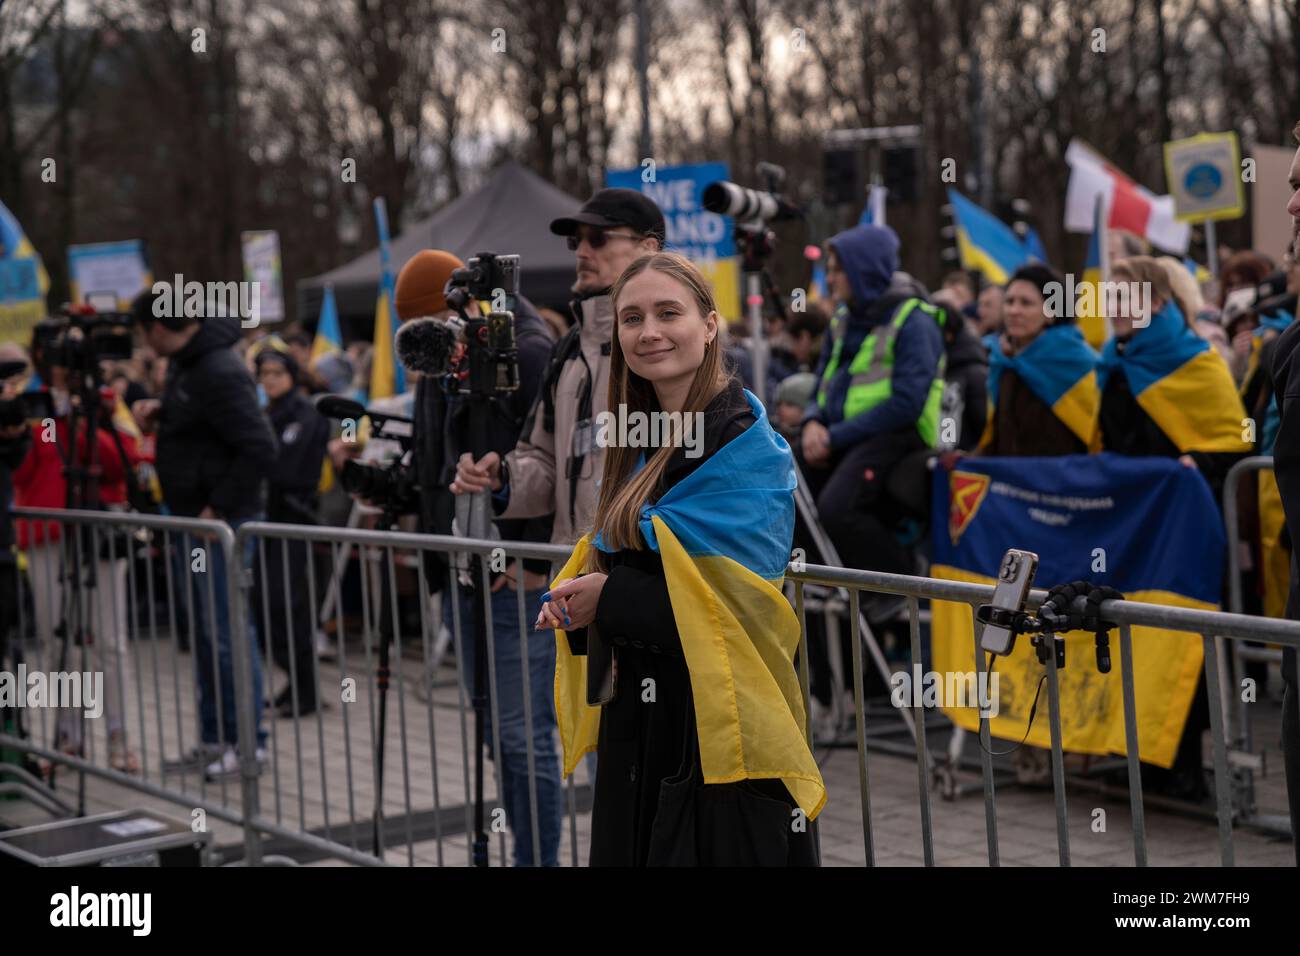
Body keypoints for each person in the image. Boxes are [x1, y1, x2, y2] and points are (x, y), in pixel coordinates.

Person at [539, 251, 825, 866]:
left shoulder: (740, 438)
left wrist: (608, 598)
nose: (649, 332)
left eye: (670, 313)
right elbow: (641, 561)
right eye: (632, 317)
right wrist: (587, 595)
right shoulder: (638, 435)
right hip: (642, 719)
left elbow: (740, 609)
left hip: (715, 725)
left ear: (712, 324)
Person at [393, 248, 560, 867]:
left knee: (523, 738)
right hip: (459, 572)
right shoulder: (446, 362)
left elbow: (551, 465)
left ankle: (537, 859)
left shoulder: (528, 352)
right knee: (497, 736)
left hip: (515, 581)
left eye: (433, 324)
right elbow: (435, 456)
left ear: (462, 304)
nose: (433, 344)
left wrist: (535, 563)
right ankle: (525, 853)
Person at [451, 188, 665, 549]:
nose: (582, 252)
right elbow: (545, 459)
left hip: (648, 577)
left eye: (598, 239)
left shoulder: (672, 346)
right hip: (571, 574)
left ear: (648, 249)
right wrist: (503, 478)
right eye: (575, 240)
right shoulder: (567, 349)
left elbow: (704, 470)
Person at [131, 291, 277, 780]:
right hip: (195, 522)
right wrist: (161, 413)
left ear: (156, 326)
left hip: (219, 528)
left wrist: (221, 508)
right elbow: (205, 431)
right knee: (207, 634)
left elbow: (258, 445)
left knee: (229, 632)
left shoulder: (217, 368)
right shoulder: (187, 364)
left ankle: (249, 745)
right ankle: (217, 737)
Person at [12, 330, 142, 773]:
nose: (64, 364)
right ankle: (69, 737)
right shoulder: (36, 407)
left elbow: (124, 459)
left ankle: (119, 740)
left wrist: (82, 420)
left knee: (109, 640)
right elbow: (29, 468)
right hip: (48, 533)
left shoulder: (107, 402)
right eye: (55, 356)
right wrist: (45, 421)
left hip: (99, 531)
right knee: (58, 641)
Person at [796, 223, 945, 581]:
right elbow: (823, 383)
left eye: (837, 269)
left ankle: (902, 581)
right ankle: (825, 582)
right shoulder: (843, 320)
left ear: (862, 271)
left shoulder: (915, 320)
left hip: (896, 434)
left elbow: (907, 403)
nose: (830, 279)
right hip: (843, 433)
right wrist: (812, 422)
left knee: (836, 510)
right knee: (784, 487)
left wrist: (833, 437)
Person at [250, 344, 329, 717]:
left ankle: (306, 691)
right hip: (269, 522)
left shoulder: (305, 414)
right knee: (266, 606)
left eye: (276, 374)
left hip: (294, 521)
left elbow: (286, 469)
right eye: (264, 374)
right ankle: (294, 684)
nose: (269, 381)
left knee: (287, 605)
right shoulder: (267, 413)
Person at [974, 264, 1100, 457]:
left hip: (1066, 481)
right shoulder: (1003, 363)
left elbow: (1099, 439)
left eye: (1026, 303)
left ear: (1052, 312)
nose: (1014, 311)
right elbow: (996, 435)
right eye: (1009, 302)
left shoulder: (1080, 363)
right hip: (1011, 482)